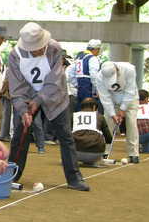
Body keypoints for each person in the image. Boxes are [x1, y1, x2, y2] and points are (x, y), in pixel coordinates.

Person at [7, 22, 90, 191]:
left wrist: (38, 101)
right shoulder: (15, 55)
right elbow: (16, 87)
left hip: (55, 98)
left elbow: (55, 80)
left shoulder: (54, 48)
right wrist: (23, 110)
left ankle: (74, 178)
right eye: (34, 48)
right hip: (27, 97)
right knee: (19, 137)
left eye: (39, 46)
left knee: (65, 137)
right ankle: (11, 175)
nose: (37, 50)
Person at [95, 61, 140, 164]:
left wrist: (123, 109)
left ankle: (133, 153)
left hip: (130, 99)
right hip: (112, 100)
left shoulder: (129, 69)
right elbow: (105, 97)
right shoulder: (99, 77)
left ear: (117, 70)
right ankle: (104, 151)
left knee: (131, 123)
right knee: (107, 123)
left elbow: (130, 91)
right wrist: (112, 114)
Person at [72, 97, 112, 167]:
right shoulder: (100, 116)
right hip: (95, 155)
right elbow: (108, 138)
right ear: (94, 107)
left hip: (75, 154)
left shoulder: (73, 115)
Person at [72, 39, 102, 108]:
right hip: (88, 86)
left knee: (80, 108)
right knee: (89, 108)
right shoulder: (92, 58)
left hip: (80, 86)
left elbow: (71, 74)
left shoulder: (79, 57)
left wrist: (76, 85)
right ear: (96, 49)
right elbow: (94, 76)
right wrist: (97, 90)